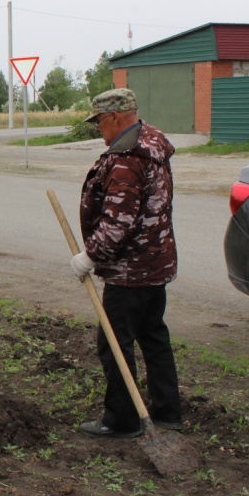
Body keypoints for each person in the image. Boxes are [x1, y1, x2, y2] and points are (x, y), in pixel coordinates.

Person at [71, 88, 183, 438]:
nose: (98, 128)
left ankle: (122, 420)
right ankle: (168, 412)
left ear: (115, 117)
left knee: (114, 343)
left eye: (99, 121)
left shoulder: (127, 160)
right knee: (153, 335)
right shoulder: (153, 144)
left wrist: (89, 256)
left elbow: (118, 223)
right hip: (156, 263)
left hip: (129, 271)